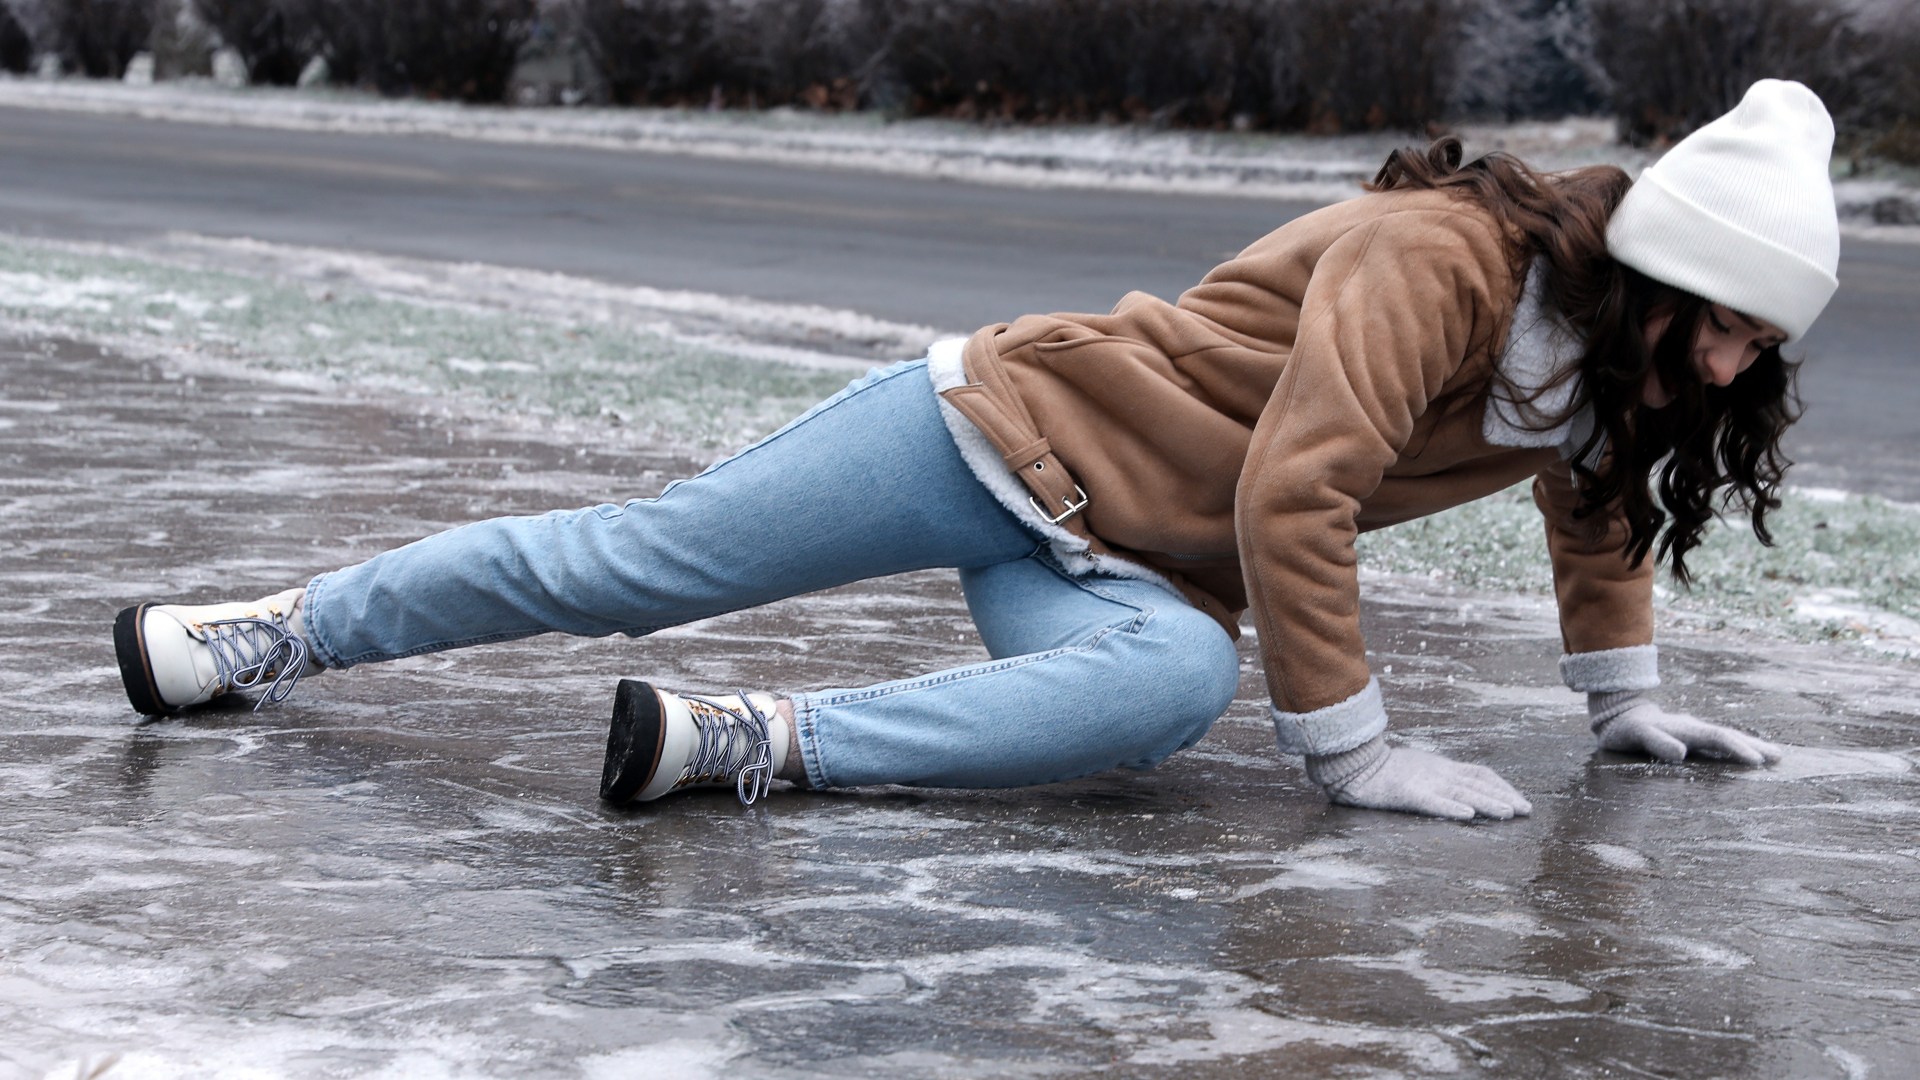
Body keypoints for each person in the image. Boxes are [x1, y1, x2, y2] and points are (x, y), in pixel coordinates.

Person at [112, 80, 1840, 821]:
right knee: (633, 566)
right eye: (1733, 322)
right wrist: (1357, 755)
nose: (1741, 361)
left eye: (1766, 341)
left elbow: (1597, 498)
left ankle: (747, 745)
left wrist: (1621, 703)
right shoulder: (1443, 261)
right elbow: (1299, 486)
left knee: (1162, 696)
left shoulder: (1616, 368)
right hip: (995, 429)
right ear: (1653, 275)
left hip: (1127, 562)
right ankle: (270, 632)